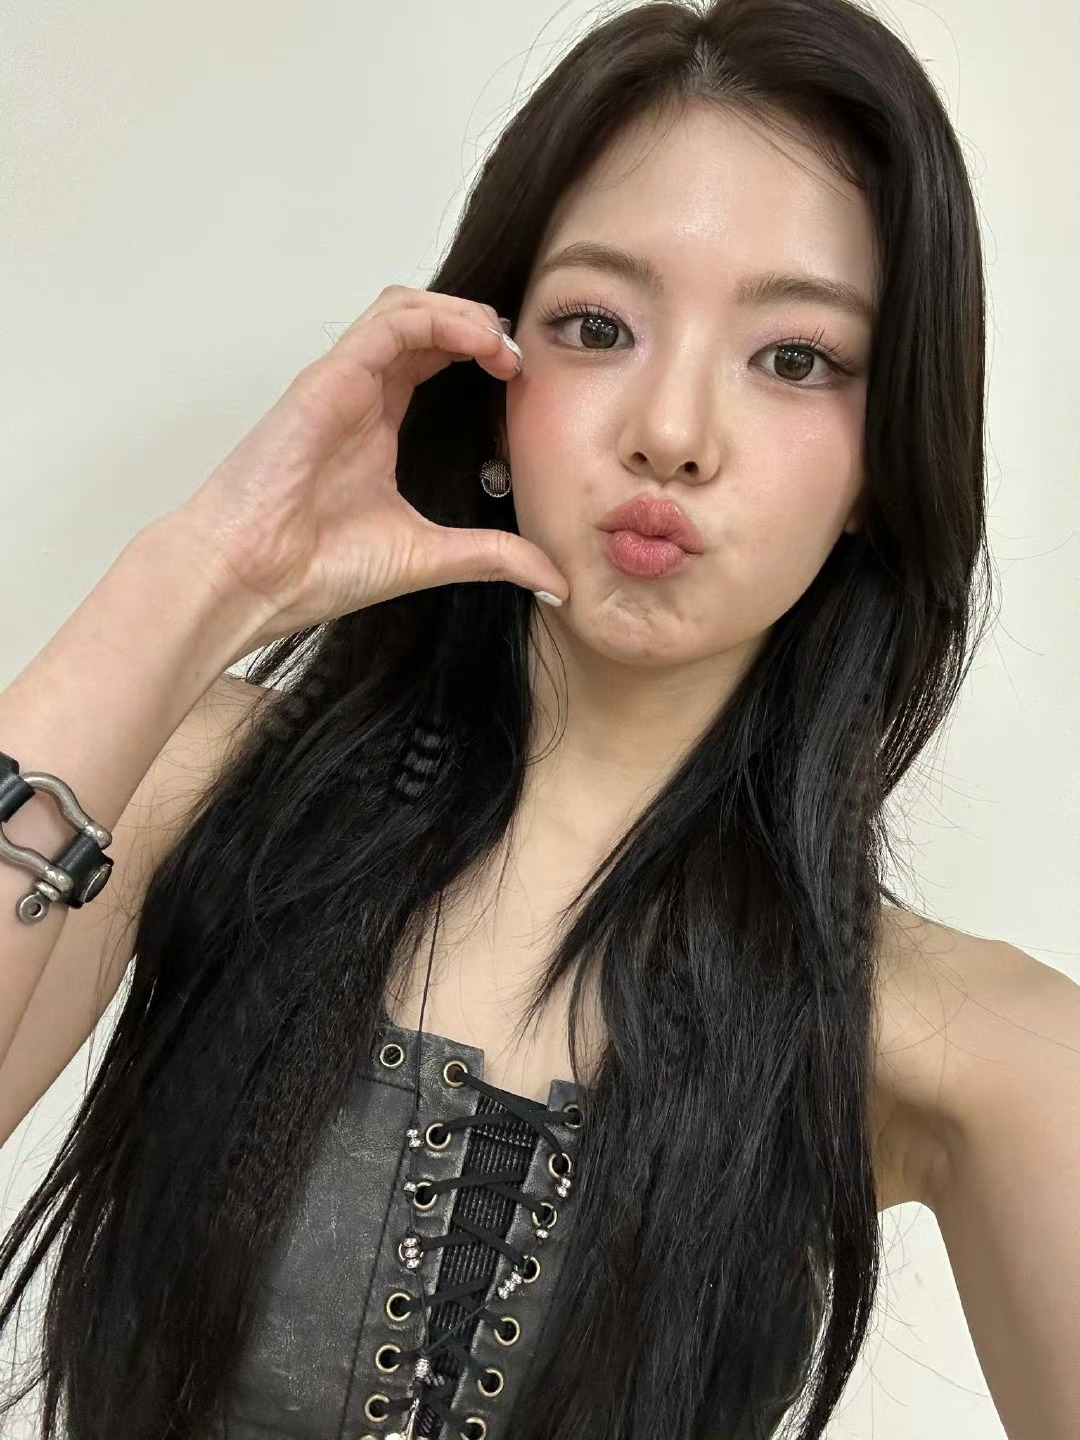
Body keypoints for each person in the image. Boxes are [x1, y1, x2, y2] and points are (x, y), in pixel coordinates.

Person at [0, 1, 1076, 1437]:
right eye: (597, 326)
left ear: (884, 460)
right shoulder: (189, 790)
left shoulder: (972, 1046)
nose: (672, 431)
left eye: (796, 357)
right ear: (494, 378)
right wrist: (197, 577)